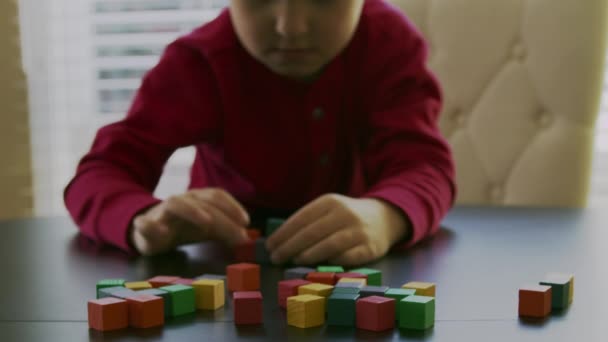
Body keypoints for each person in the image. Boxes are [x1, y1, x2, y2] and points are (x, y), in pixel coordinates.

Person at [64, 0, 456, 267]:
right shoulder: (200, 61)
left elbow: (425, 166)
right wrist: (142, 220)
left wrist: (385, 217)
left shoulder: (388, 44)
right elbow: (100, 173)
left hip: (352, 277)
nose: (291, 27)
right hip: (221, 281)